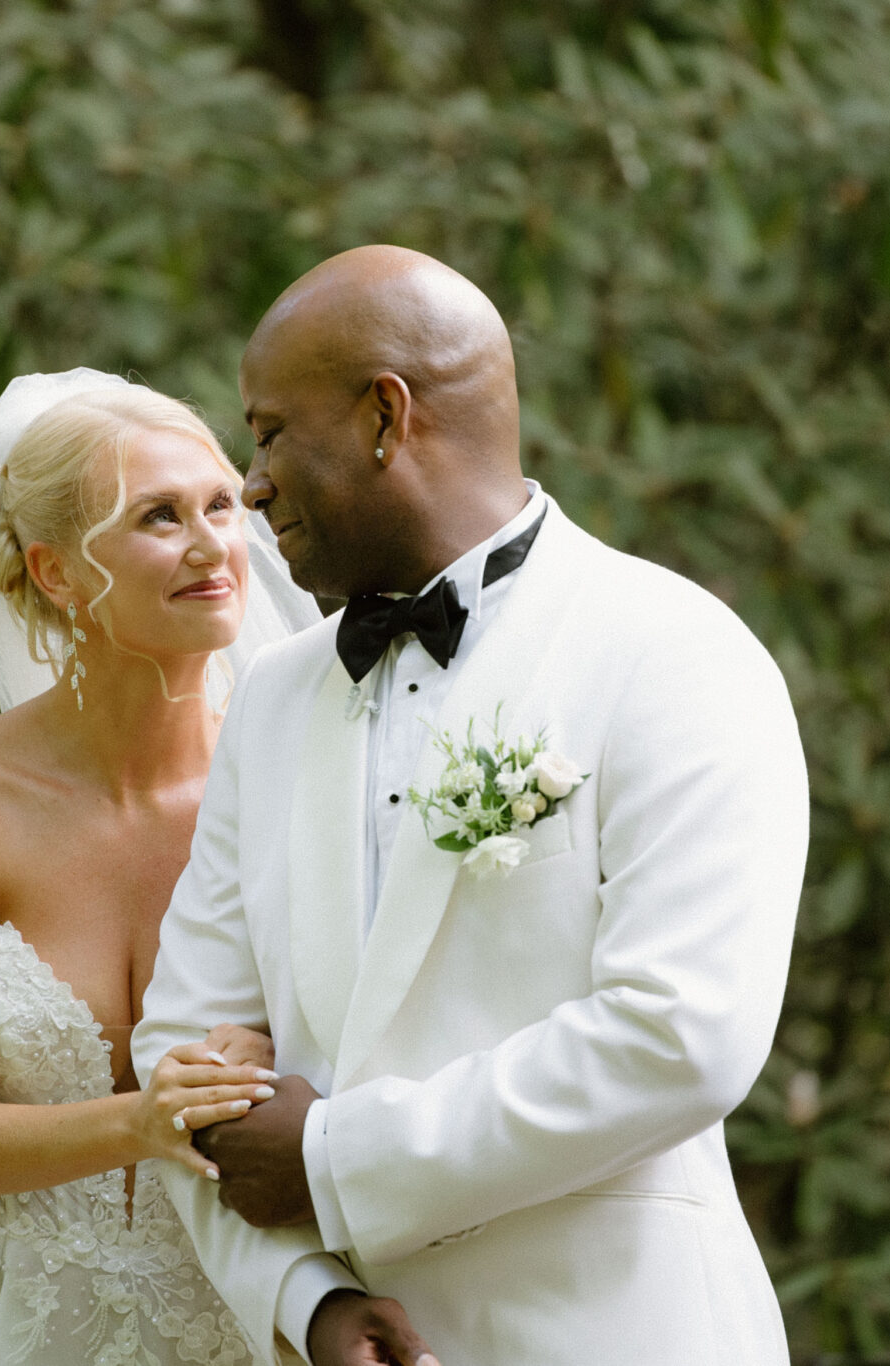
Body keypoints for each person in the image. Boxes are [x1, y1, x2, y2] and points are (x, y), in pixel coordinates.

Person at [133, 246, 810, 1366]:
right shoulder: (270, 696)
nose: (249, 485)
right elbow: (184, 1048)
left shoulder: (671, 651)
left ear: (384, 418)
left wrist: (335, 1159)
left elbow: (682, 1034)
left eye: (266, 433)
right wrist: (302, 1299)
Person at [0, 371, 319, 1366]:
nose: (212, 544)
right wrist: (137, 1121)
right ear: (54, 573)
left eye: (221, 504)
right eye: (157, 517)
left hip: (241, 1314)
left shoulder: (303, 783)